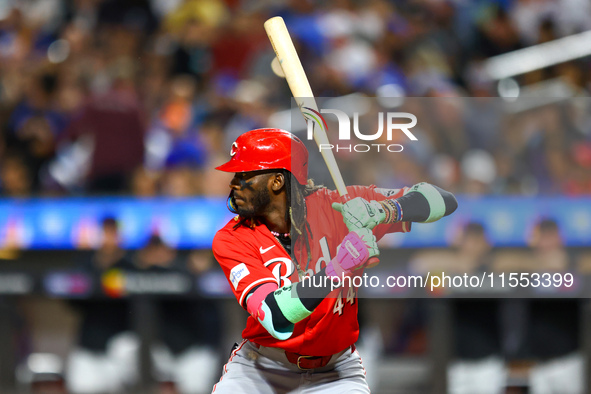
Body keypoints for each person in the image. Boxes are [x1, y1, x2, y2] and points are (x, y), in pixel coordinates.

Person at [211, 128, 458, 393]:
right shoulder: (232, 238)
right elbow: (277, 316)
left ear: (277, 181)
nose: (234, 183)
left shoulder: (339, 206)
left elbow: (443, 200)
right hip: (262, 368)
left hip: (335, 371)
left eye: (244, 175)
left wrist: (383, 211)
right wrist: (338, 267)